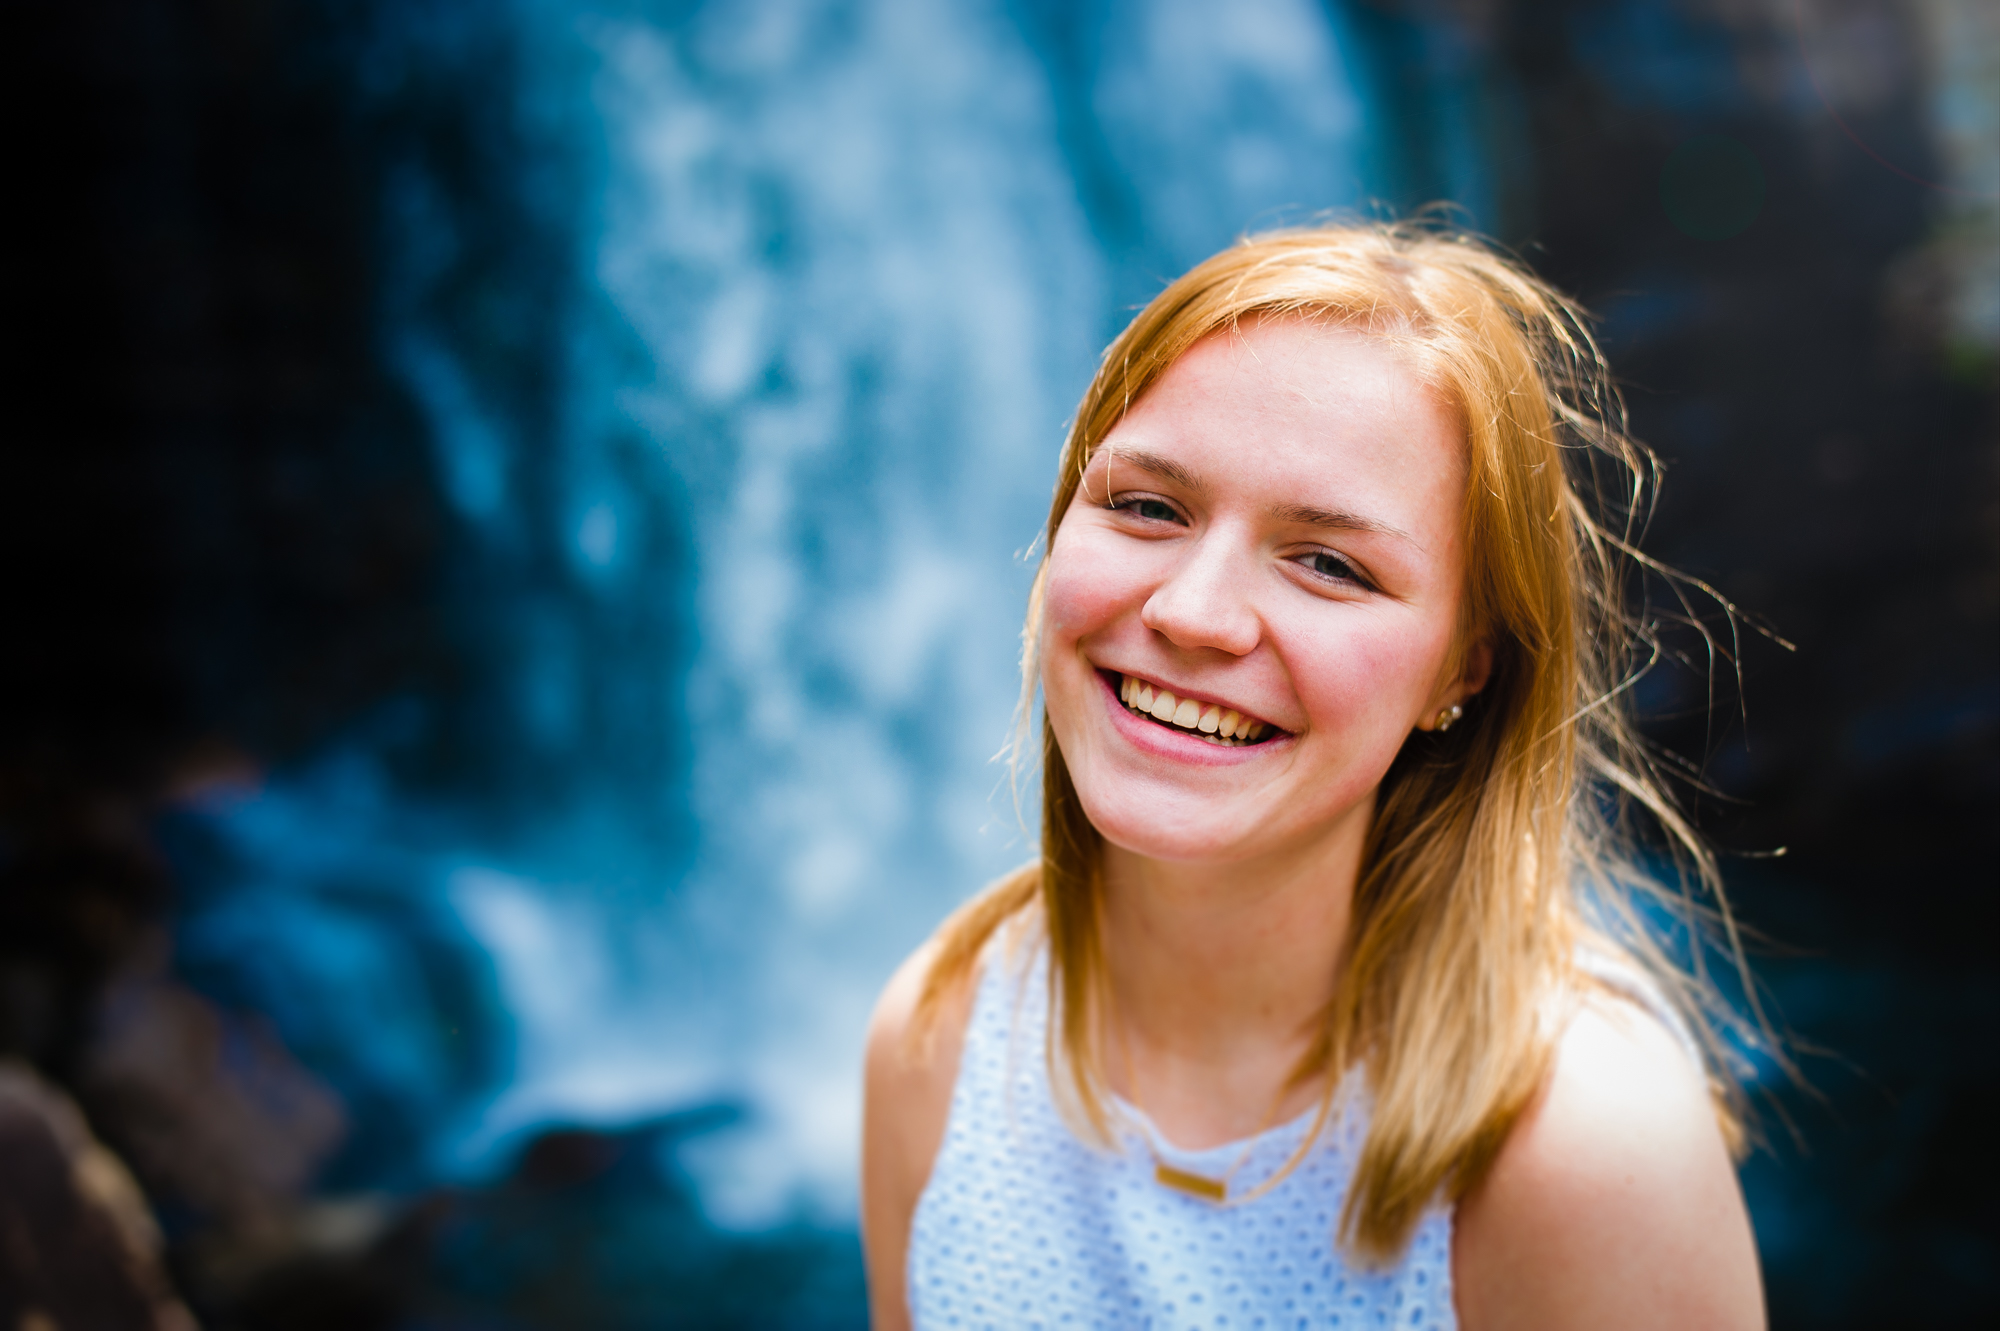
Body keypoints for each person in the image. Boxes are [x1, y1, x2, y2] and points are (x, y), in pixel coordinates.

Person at [860, 221, 1767, 1329]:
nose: (1190, 612)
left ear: (1463, 669)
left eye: (1328, 563)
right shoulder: (941, 1032)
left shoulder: (1578, 1142)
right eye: (1146, 505)